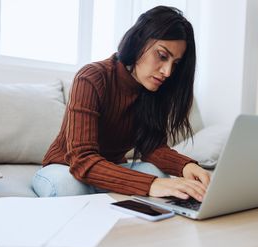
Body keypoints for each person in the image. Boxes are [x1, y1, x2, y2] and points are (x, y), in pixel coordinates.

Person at [32, 6, 210, 202]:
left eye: (175, 64)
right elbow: (82, 159)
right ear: (139, 42)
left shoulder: (154, 90)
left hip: (110, 171)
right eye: (162, 55)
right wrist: (149, 185)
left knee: (156, 172)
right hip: (65, 168)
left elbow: (152, 148)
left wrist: (187, 166)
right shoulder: (92, 77)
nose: (167, 72)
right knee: (68, 187)